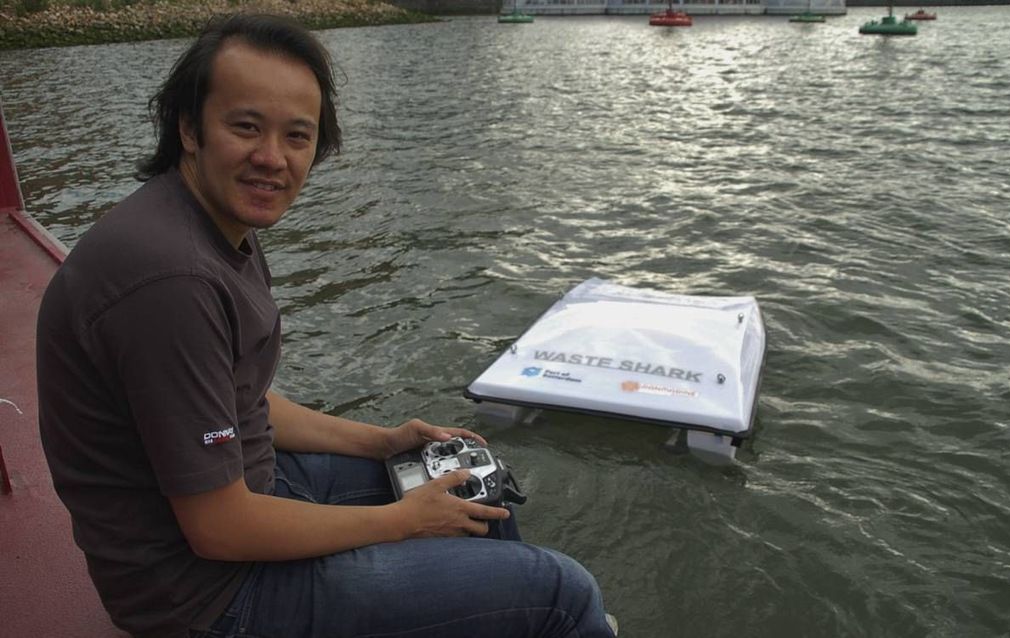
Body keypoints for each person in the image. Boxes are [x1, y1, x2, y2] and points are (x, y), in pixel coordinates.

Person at [36, 13, 617, 638]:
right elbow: (218, 528)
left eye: (297, 136)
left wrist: (383, 441)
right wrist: (402, 522)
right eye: (245, 127)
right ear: (189, 127)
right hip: (206, 596)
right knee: (563, 593)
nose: (272, 158)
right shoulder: (170, 281)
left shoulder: (214, 224)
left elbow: (240, 400)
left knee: (474, 490)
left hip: (252, 490)